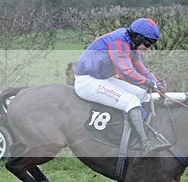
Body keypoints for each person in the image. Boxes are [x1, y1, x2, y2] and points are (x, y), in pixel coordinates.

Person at [73, 17, 170, 155]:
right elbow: (125, 72)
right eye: (147, 44)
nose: (147, 49)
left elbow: (141, 69)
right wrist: (150, 83)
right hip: (87, 82)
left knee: (142, 94)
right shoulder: (118, 42)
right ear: (137, 37)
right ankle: (145, 144)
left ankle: (143, 131)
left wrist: (157, 85)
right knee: (131, 101)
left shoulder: (130, 44)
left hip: (101, 79)